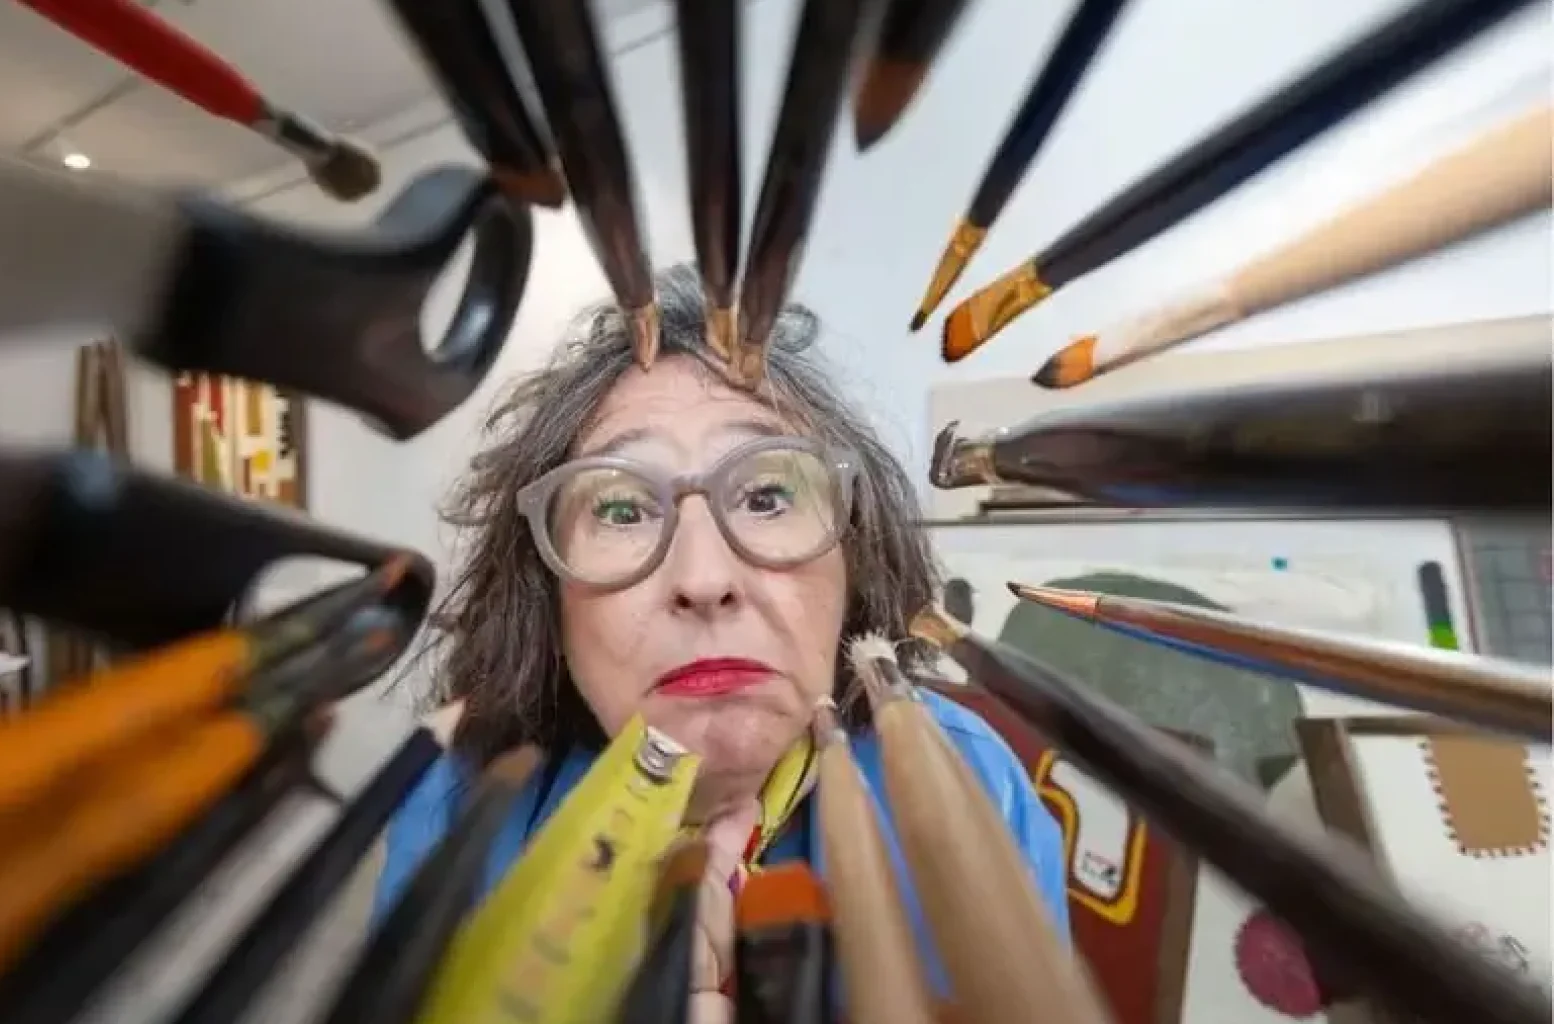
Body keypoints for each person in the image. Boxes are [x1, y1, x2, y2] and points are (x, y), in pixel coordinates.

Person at [374, 263, 1069, 1019]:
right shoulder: (455, 801)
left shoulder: (970, 776)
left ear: (855, 558)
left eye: (768, 496)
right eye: (620, 509)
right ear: (548, 600)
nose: (704, 578)